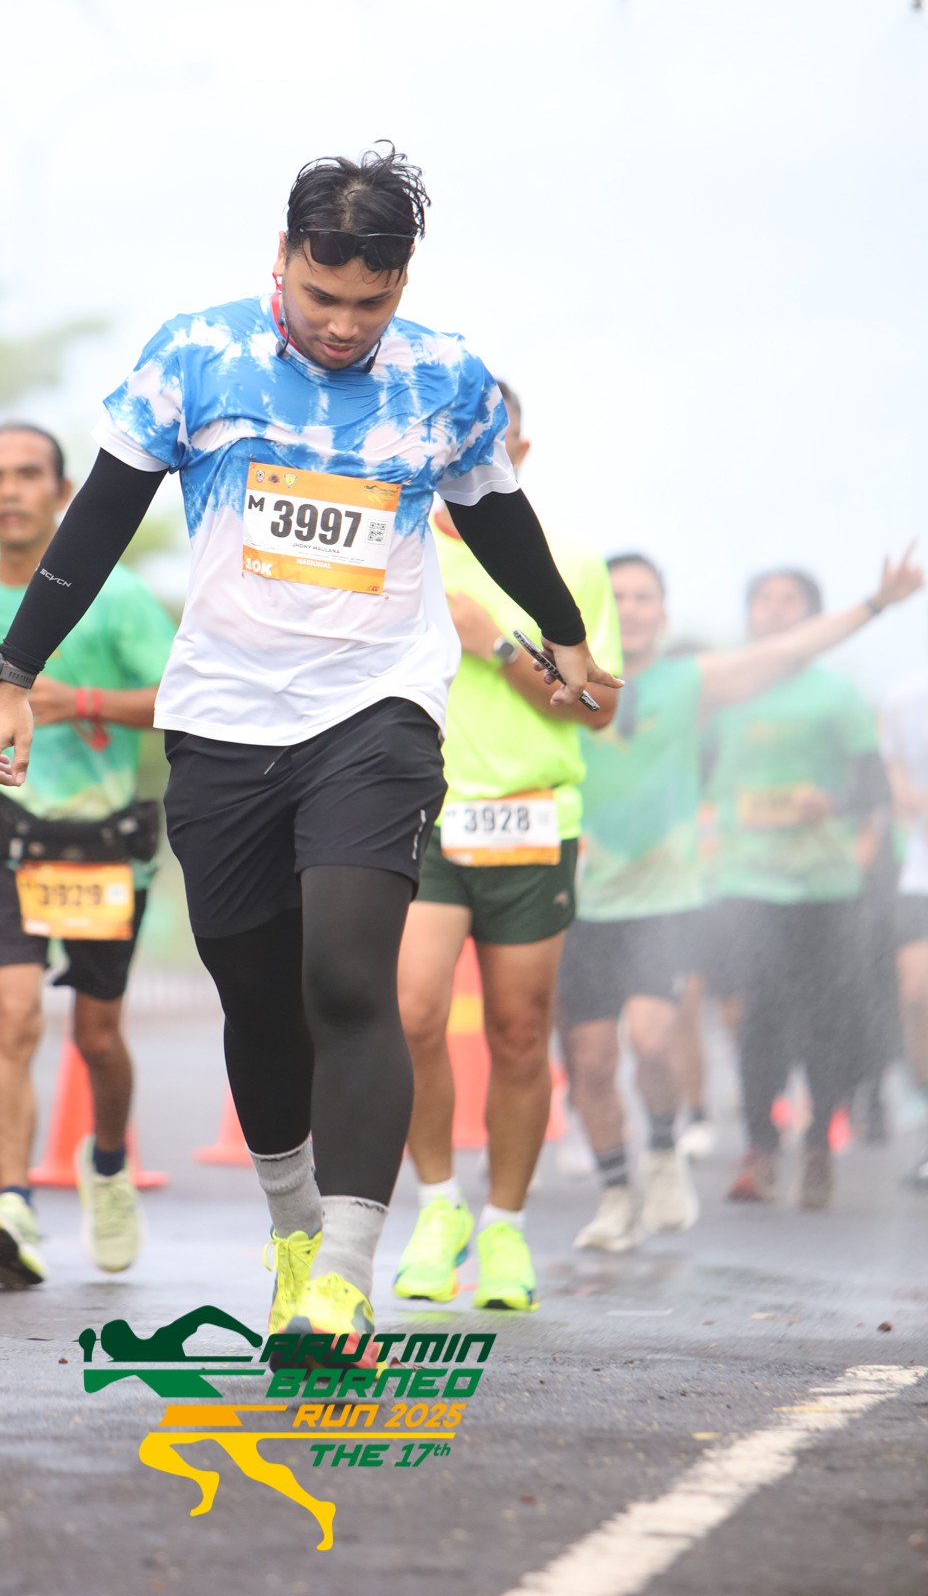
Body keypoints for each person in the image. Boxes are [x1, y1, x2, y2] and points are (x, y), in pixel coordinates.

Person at [0, 146, 621, 1354]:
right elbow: (99, 515)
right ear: (281, 258)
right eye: (322, 296)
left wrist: (564, 634)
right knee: (258, 997)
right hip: (220, 718)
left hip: (374, 710)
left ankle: (345, 1278)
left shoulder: (443, 380)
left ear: (402, 282)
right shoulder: (196, 358)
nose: (343, 324)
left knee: (349, 980)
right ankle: (295, 1239)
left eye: (371, 301)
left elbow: (492, 511)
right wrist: (11, 676)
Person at [565, 548, 922, 1249]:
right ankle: (679, 1174)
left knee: (700, 1036)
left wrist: (876, 604)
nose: (630, 608)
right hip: (656, 890)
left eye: (644, 596)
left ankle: (739, 1144)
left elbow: (799, 668)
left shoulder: (713, 684)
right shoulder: (565, 678)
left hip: (739, 891)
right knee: (642, 1048)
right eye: (618, 596)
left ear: (664, 612)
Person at [0, 422, 175, 1287]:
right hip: (9, 838)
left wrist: (81, 700)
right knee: (15, 1016)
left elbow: (180, 698)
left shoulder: (120, 596)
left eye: (29, 474)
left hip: (102, 845)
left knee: (97, 1036)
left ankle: (108, 1166)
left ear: (62, 492)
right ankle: (13, 1204)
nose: (10, 490)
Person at [392, 382, 620, 1311]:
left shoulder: (569, 562)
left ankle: (505, 1227)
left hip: (530, 820)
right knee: (411, 1013)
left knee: (520, 1033)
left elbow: (598, 708)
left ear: (516, 453)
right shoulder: (395, 549)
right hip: (417, 814)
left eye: (486, 439)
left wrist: (496, 645)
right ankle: (438, 1208)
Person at [709, 567, 909, 1210]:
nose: (774, 611)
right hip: (744, 879)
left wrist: (832, 802)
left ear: (815, 617)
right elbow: (693, 773)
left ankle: (820, 1141)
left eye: (789, 600)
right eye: (763, 600)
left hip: (824, 883)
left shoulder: (836, 695)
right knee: (759, 1016)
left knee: (824, 1017)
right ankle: (761, 1149)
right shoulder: (725, 689)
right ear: (749, 614)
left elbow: (874, 787)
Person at [881, 660, 928, 1189]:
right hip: (921, 872)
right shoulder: (908, 696)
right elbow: (892, 768)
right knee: (917, 993)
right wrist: (905, 795)